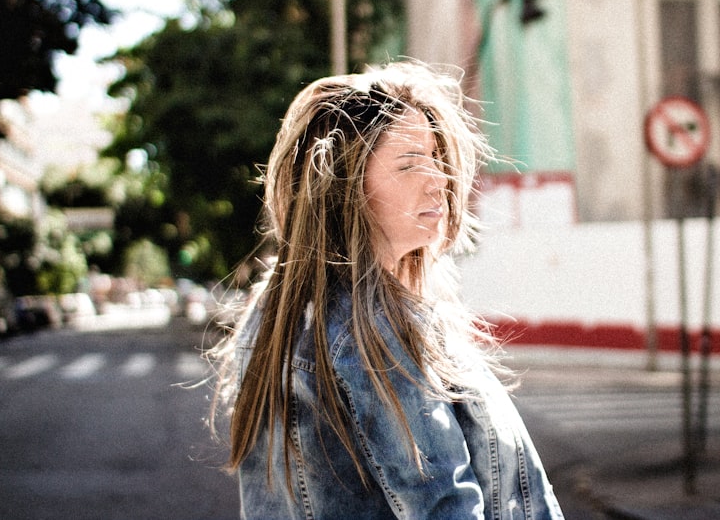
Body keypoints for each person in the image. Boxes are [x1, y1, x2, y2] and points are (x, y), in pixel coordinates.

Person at [210, 60, 564, 519]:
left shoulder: (274, 311)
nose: (440, 179)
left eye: (437, 157)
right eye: (411, 162)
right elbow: (444, 507)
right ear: (344, 184)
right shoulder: (368, 324)